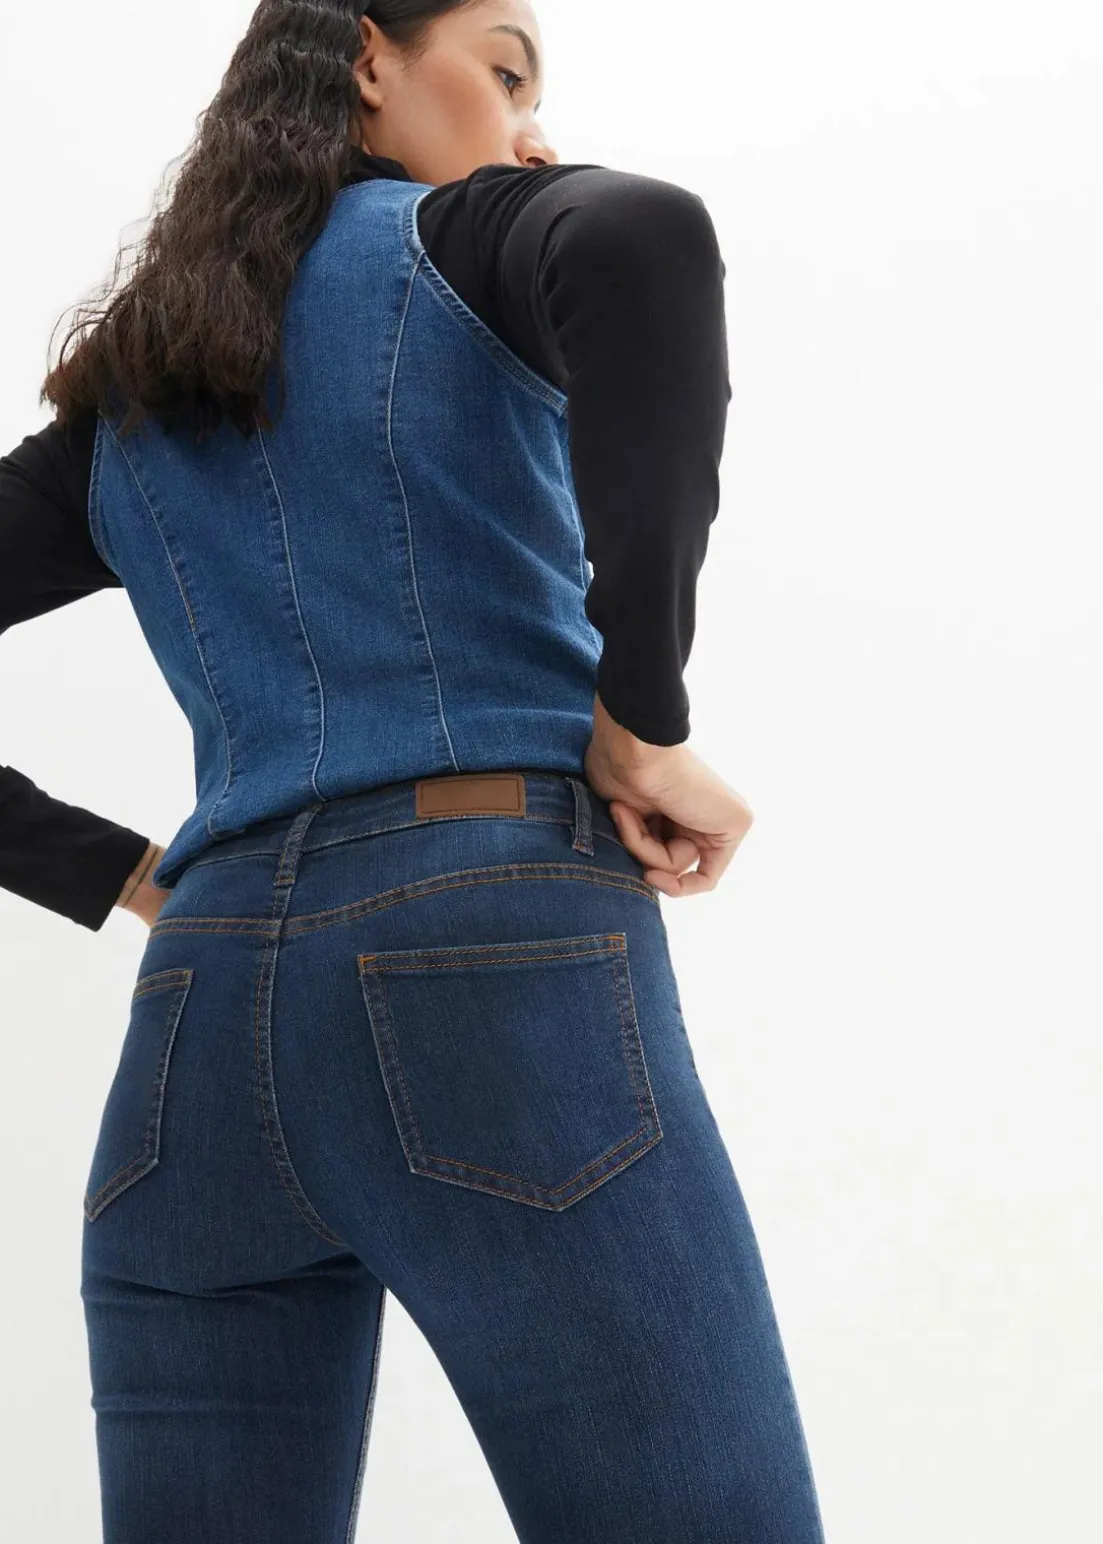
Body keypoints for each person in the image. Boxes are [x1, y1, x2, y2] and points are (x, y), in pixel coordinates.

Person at [1, 2, 827, 1539]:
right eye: (503, 71)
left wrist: (113, 874)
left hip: (196, 1024)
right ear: (368, 60)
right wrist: (640, 713)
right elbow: (641, 232)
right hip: (488, 959)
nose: (527, 130)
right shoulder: (459, 248)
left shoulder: (134, 399)